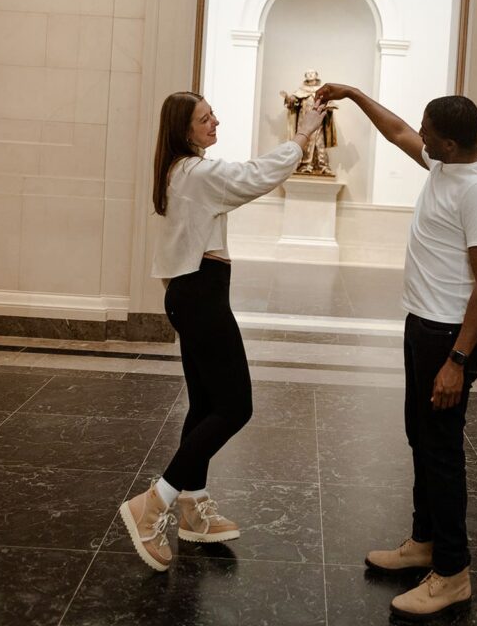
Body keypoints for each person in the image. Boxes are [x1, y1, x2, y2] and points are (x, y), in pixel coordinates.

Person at [314, 84, 477, 620]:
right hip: (423, 327)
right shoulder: (446, 164)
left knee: (441, 451)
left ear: (449, 142)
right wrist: (353, 94)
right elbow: (397, 131)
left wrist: (458, 361)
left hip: (450, 338)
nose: (418, 136)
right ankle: (424, 542)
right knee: (420, 437)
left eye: (429, 132)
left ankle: (452, 573)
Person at [119, 90, 327, 572]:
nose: (215, 122)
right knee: (236, 406)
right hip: (201, 296)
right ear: (184, 130)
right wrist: (302, 135)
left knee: (207, 405)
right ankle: (155, 502)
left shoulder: (180, 171)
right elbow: (254, 177)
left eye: (213, 113)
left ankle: (193, 505)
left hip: (191, 294)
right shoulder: (197, 173)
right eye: (204, 118)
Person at [281, 69, 337, 175]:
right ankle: (305, 165)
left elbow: (329, 102)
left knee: (319, 143)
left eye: (313, 73)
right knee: (305, 143)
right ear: (305, 76)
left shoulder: (322, 90)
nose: (311, 74)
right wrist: (289, 99)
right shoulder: (300, 91)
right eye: (308, 73)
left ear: (316, 75)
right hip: (304, 122)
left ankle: (323, 165)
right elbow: (293, 103)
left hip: (318, 123)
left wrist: (330, 106)